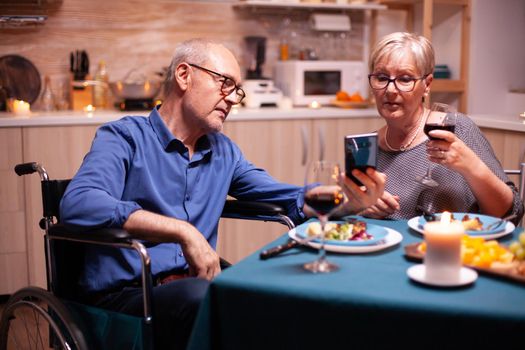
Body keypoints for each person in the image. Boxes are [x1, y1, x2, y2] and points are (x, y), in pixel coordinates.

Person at [60, 38, 385, 349]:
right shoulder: (124, 137)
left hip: (195, 284)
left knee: (277, 292)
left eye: (237, 90)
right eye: (224, 83)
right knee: (203, 298)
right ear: (184, 75)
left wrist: (344, 197)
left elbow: (286, 197)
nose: (232, 98)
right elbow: (79, 202)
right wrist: (184, 231)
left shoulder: (224, 152)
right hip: (129, 295)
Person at [358, 31, 523, 223]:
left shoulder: (456, 129)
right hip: (384, 249)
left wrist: (472, 167)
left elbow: (512, 212)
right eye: (381, 77)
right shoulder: (366, 147)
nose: (391, 89)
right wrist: (362, 206)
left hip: (454, 249)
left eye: (405, 79)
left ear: (427, 85)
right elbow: (352, 218)